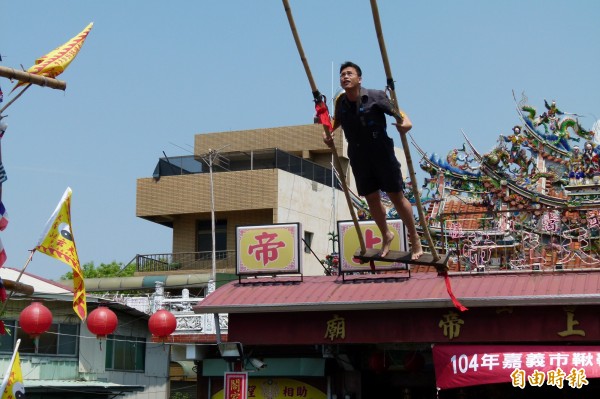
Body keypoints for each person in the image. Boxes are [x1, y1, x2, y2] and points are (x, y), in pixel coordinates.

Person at [324, 61, 423, 260]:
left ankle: (414, 237)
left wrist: (406, 123)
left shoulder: (376, 96)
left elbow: (399, 113)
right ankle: (386, 234)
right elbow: (334, 123)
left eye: (349, 73)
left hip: (382, 153)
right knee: (371, 198)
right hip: (359, 156)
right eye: (342, 74)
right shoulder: (341, 103)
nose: (345, 77)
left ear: (359, 79)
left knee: (396, 195)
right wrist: (328, 135)